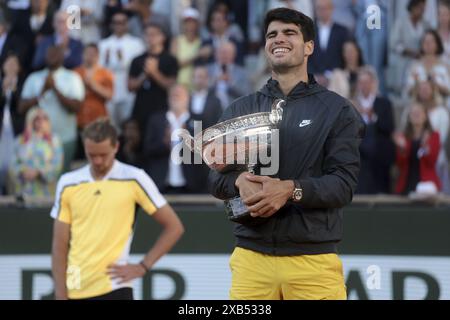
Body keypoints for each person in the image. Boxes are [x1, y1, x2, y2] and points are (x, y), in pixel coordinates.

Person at [208, 8, 364, 300]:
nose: (278, 38)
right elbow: (216, 180)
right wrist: (238, 181)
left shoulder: (338, 110)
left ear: (309, 47)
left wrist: (291, 190)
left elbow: (343, 185)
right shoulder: (239, 109)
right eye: (271, 34)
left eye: (289, 32)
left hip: (313, 261)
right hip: (250, 259)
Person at [51, 118, 184, 300]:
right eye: (92, 155)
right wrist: (60, 294)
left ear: (116, 147)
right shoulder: (68, 182)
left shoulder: (134, 178)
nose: (98, 161)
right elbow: (59, 246)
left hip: (115, 287)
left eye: (103, 155)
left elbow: (174, 227)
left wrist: (143, 266)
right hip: (75, 287)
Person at [20, 45, 85, 173]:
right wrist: (42, 91)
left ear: (62, 56)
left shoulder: (72, 77)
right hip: (37, 140)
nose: (52, 57)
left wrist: (55, 89)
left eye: (55, 54)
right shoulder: (34, 77)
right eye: (49, 53)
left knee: (62, 174)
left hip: (65, 138)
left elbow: (77, 107)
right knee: (39, 177)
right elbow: (21, 108)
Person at [352, 67, 396, 194]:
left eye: (367, 82)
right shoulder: (352, 104)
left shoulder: (384, 103)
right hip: (359, 155)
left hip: (379, 154)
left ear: (373, 84)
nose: (364, 86)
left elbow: (389, 127)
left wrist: (374, 117)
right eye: (361, 82)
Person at [9, 107, 63, 197]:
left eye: (44, 118)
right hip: (24, 190)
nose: (41, 121)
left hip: (46, 192)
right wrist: (22, 171)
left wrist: (39, 172)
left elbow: (57, 165)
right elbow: (12, 164)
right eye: (37, 118)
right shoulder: (20, 141)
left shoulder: (54, 141)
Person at [394, 103, 441, 195]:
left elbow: (432, 161)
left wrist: (425, 148)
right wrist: (402, 148)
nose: (416, 115)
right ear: (409, 117)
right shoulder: (403, 137)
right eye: (413, 113)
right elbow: (399, 164)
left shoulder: (434, 136)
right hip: (407, 183)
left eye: (419, 113)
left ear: (425, 116)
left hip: (426, 185)